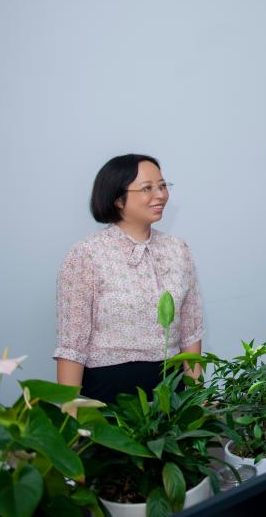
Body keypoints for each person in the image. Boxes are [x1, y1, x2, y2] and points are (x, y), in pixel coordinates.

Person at [54, 154, 203, 403]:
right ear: (117, 199)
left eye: (162, 186)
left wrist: (198, 399)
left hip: (171, 393)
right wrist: (71, 412)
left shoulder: (178, 250)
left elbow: (190, 333)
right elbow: (71, 346)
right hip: (108, 395)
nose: (160, 195)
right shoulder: (87, 254)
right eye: (147, 188)